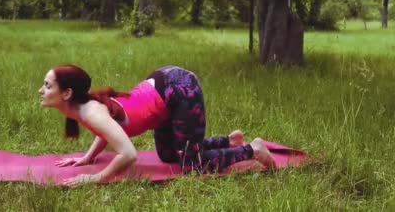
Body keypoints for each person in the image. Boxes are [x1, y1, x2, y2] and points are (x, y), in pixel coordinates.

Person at [38, 64, 275, 186]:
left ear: (67, 93)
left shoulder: (90, 112)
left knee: (191, 165)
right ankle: (228, 141)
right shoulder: (86, 110)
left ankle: (252, 149)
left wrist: (96, 177)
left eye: (48, 86)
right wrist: (88, 157)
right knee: (168, 155)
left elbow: (129, 154)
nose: (42, 90)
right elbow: (107, 131)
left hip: (179, 88)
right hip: (163, 96)